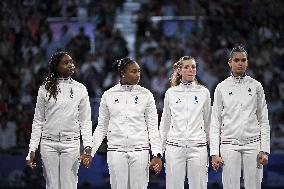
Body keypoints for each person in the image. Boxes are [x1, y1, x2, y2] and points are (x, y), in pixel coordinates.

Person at [92, 57, 163, 189]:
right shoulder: (108, 95)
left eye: (139, 71)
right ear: (123, 73)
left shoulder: (146, 95)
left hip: (140, 149)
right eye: (133, 71)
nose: (138, 75)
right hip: (116, 150)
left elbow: (153, 127)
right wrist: (90, 151)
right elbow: (101, 127)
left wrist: (157, 154)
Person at [26, 51, 93, 189]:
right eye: (66, 62)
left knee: (69, 185)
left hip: (71, 144)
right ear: (57, 67)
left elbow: (85, 121)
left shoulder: (80, 89)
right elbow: (38, 120)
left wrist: (87, 148)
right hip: (48, 144)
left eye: (71, 62)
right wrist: (32, 148)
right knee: (52, 186)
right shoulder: (45, 88)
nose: (71, 65)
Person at [210, 44, 270, 189]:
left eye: (243, 60)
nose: (240, 63)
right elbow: (215, 121)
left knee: (254, 186)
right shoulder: (221, 87)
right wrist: (214, 153)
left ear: (247, 62)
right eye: (236, 60)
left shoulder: (256, 86)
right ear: (230, 62)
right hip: (229, 144)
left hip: (253, 143)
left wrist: (265, 149)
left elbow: (263, 119)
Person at [160, 56, 211, 189]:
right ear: (179, 70)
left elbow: (209, 124)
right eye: (187, 67)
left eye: (193, 67)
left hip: (198, 147)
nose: (191, 70)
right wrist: (158, 152)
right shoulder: (170, 93)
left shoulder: (204, 93)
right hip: (174, 147)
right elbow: (165, 124)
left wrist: (215, 151)